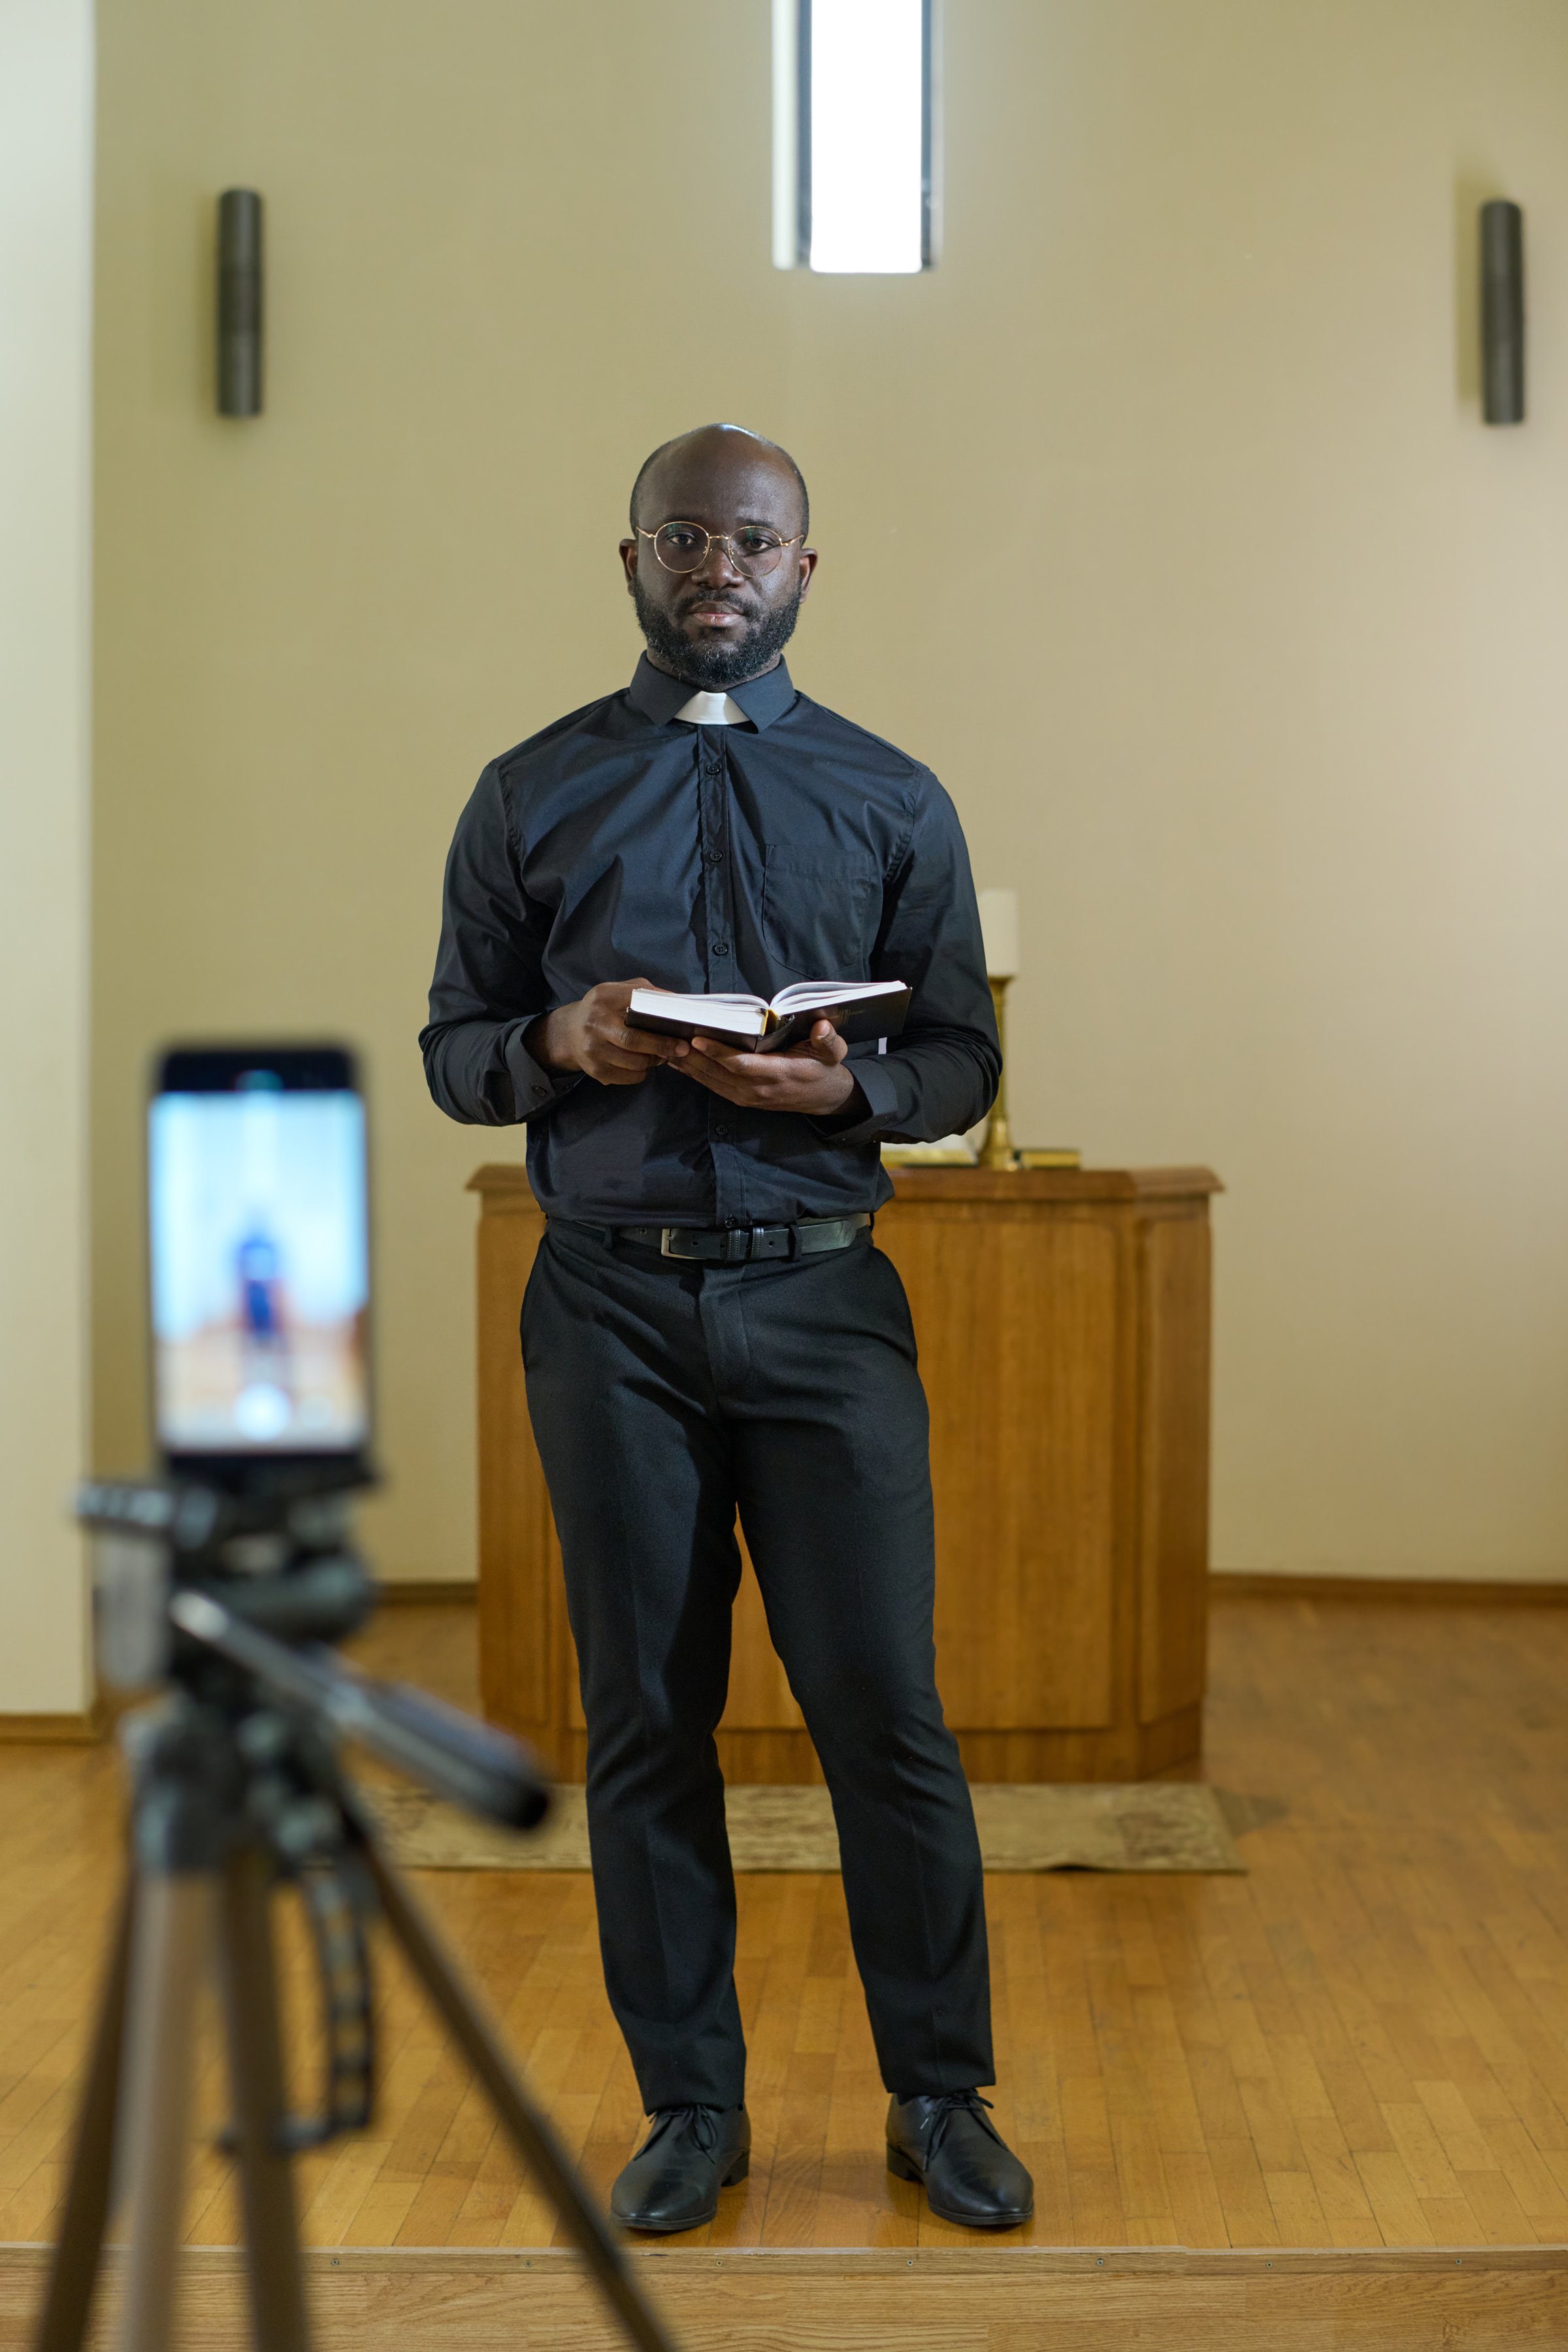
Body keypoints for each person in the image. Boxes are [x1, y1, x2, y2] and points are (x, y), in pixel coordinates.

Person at [420, 423, 1034, 2233]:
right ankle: (690, 2109)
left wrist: (843, 1091)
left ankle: (940, 2099)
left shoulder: (894, 798)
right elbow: (457, 1047)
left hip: (823, 1299)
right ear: (628, 561)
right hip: (604, 1306)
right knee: (644, 1723)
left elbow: (966, 1064)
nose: (718, 571)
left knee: (883, 1714)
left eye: (752, 544)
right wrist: (560, 1045)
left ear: (803, 573)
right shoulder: (527, 791)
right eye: (685, 540)